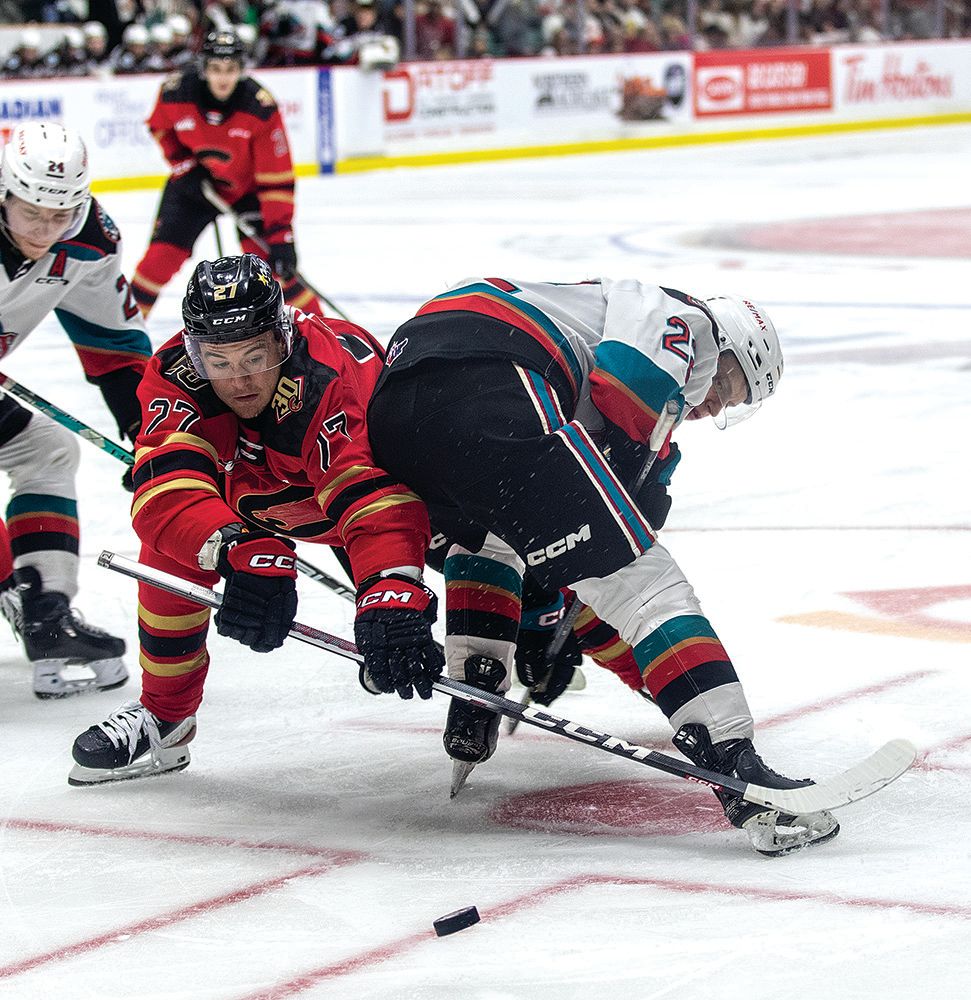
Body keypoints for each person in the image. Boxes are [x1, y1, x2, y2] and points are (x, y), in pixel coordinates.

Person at [364, 276, 837, 856]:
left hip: (399, 400)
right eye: (731, 386)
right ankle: (737, 765)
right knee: (644, 584)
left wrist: (549, 600)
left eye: (731, 406)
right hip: (492, 375)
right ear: (729, 347)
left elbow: (549, 495)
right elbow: (628, 389)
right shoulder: (686, 321)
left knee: (485, 541)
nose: (714, 404)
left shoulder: (591, 311)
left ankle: (475, 691)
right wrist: (625, 507)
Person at [69, 253, 442, 785]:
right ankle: (165, 719)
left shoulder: (325, 375)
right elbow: (163, 490)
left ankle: (541, 622)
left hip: (370, 498)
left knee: (494, 551)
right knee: (171, 550)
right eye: (219, 362)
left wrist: (389, 594)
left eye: (254, 357)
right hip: (258, 505)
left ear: (281, 337)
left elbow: (372, 499)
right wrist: (238, 550)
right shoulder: (175, 371)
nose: (239, 380)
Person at [0, 122, 153, 697]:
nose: (45, 230)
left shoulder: (87, 240)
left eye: (58, 215)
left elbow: (114, 347)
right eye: (30, 213)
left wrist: (150, 436)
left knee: (45, 447)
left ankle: (46, 612)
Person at [130, 29, 323, 319]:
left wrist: (281, 236)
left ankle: (328, 334)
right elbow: (160, 128)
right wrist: (184, 165)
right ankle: (124, 338)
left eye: (231, 69)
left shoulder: (259, 107)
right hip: (195, 188)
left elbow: (276, 179)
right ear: (204, 68)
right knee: (158, 262)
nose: (223, 78)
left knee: (276, 269)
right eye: (216, 69)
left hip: (247, 193)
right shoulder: (175, 93)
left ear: (241, 70)